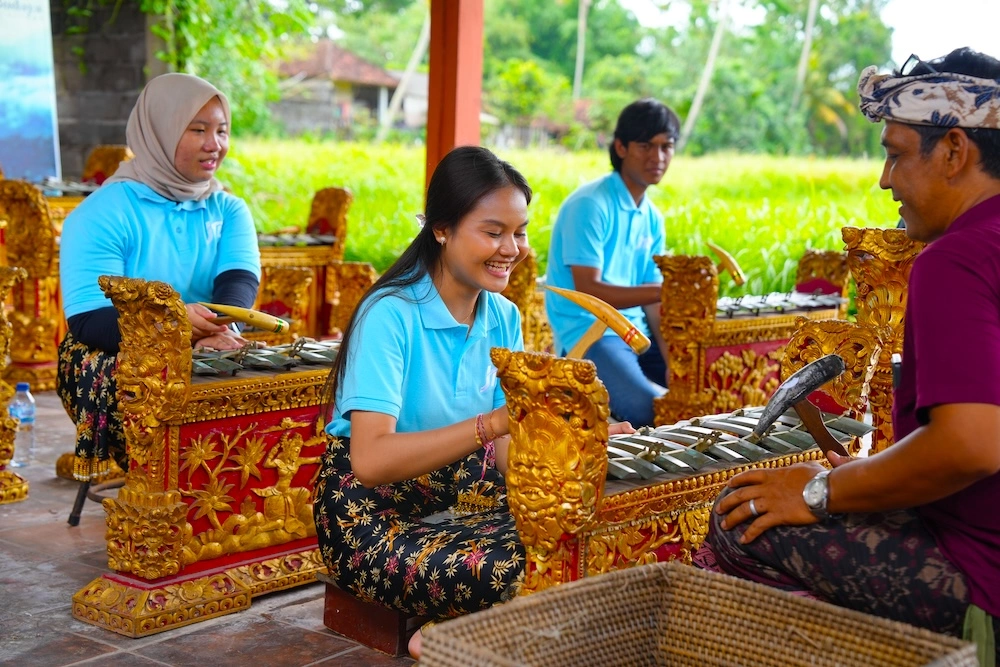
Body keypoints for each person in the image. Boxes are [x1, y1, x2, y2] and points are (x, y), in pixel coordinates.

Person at [699, 48, 1000, 661]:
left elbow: (972, 443)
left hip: (983, 572)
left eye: (894, 154)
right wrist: (867, 474)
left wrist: (820, 493)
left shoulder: (957, 258)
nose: (884, 180)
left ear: (954, 152)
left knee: (737, 520)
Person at [312, 145, 633, 659]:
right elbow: (370, 463)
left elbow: (509, 458)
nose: (512, 248)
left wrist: (576, 444)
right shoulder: (389, 315)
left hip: (459, 499)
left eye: (520, 232)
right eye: (493, 232)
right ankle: (446, 636)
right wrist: (494, 424)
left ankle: (451, 626)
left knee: (580, 539)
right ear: (442, 228)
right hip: (368, 520)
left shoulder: (502, 317)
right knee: (528, 567)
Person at [57, 73, 261, 481]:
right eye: (198, 130)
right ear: (159, 133)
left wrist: (214, 330)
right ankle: (161, 502)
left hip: (210, 339)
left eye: (222, 130)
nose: (214, 144)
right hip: (118, 352)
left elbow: (238, 285)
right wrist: (173, 329)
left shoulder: (229, 210)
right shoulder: (101, 214)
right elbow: (87, 319)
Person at [544, 98, 679, 427]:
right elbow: (589, 290)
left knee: (698, 392)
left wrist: (673, 357)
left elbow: (652, 304)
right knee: (654, 411)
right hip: (591, 333)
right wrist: (666, 290)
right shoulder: (591, 205)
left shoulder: (652, 217)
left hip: (636, 333)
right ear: (620, 147)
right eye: (646, 145)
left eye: (666, 146)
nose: (657, 157)